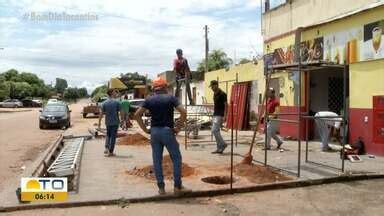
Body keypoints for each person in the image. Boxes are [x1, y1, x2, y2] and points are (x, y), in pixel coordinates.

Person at [134, 77, 191, 195]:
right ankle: (177, 187)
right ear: (165, 87)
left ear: (154, 88)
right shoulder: (171, 98)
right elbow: (184, 112)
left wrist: (145, 130)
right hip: (167, 131)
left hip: (154, 132)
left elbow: (137, 115)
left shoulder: (149, 100)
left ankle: (161, 188)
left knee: (157, 160)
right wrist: (178, 128)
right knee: (176, 158)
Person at [98, 89, 123, 157]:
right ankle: (111, 152)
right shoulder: (117, 102)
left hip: (108, 122)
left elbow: (101, 113)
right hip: (115, 122)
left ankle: (106, 147)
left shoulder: (104, 103)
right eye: (115, 92)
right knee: (113, 137)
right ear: (111, 93)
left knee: (108, 135)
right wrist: (122, 120)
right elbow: (121, 112)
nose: (116, 94)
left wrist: (99, 122)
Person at [209, 80, 228, 154]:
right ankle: (219, 148)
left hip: (220, 115)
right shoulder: (214, 94)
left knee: (214, 130)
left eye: (213, 86)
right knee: (216, 131)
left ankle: (223, 144)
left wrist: (225, 116)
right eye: (211, 87)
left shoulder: (223, 94)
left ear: (216, 85)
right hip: (215, 114)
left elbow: (226, 105)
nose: (212, 88)